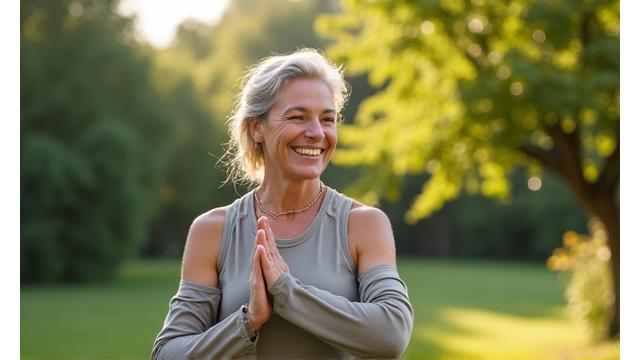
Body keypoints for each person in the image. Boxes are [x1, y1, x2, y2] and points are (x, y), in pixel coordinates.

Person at [151, 48, 414, 359]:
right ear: (256, 128)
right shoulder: (214, 230)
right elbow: (168, 352)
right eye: (297, 117)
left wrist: (287, 293)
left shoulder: (363, 224)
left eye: (327, 119)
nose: (317, 133)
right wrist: (248, 321)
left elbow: (391, 335)